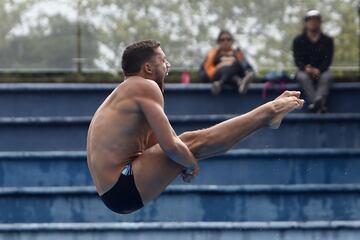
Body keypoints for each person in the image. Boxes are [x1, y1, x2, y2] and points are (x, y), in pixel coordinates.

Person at [87, 40, 304, 214]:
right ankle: (268, 113)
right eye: (163, 60)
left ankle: (267, 115)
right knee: (192, 142)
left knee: (189, 142)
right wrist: (191, 165)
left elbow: (157, 145)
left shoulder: (127, 92)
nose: (168, 66)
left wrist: (182, 159)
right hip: (122, 185)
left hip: (116, 190)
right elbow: (171, 146)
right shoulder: (145, 86)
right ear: (148, 67)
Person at [292, 10, 334, 113]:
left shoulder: (327, 40)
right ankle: (318, 104)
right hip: (305, 71)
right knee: (302, 76)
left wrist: (319, 69)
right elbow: (297, 60)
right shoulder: (298, 40)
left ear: (320, 22)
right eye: (310, 20)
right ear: (306, 23)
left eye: (316, 20)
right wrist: (306, 68)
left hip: (322, 71)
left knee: (327, 76)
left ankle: (316, 103)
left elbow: (328, 60)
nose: (313, 22)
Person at [201, 30, 255, 95]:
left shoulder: (237, 54)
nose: (225, 42)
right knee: (227, 70)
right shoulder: (213, 55)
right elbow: (204, 73)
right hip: (218, 75)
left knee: (236, 64)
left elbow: (247, 68)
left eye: (228, 39)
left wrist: (232, 63)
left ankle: (220, 84)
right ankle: (239, 83)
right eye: (222, 40)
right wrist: (220, 66)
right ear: (218, 42)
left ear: (232, 42)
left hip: (235, 74)